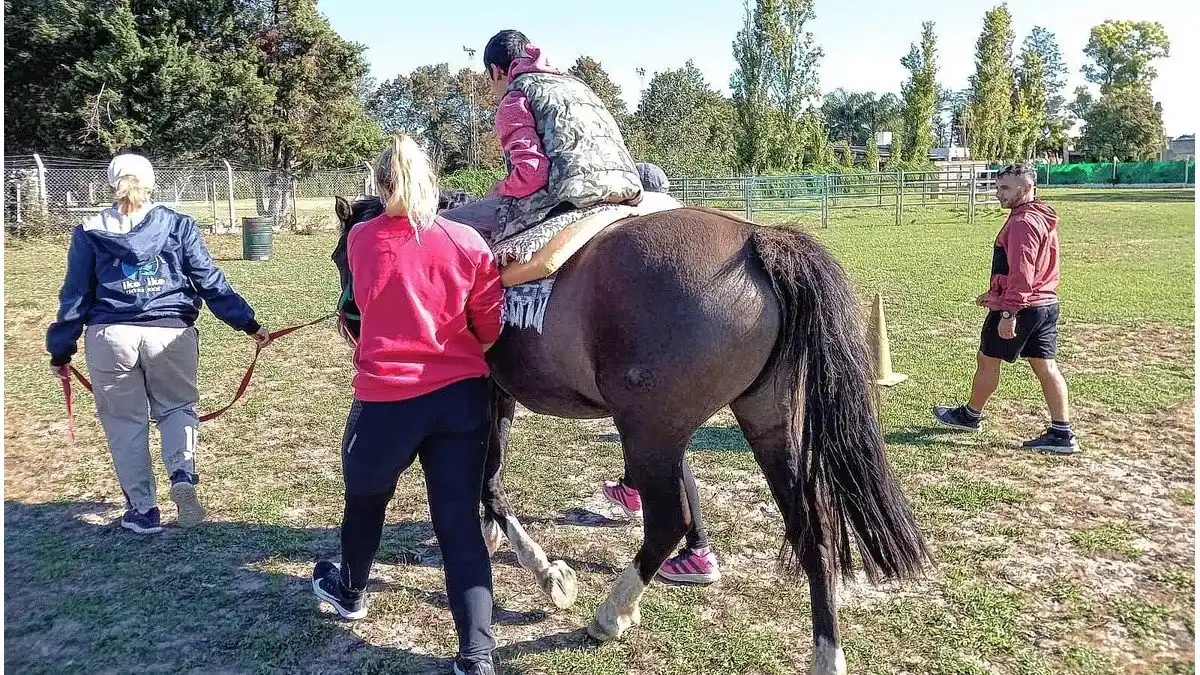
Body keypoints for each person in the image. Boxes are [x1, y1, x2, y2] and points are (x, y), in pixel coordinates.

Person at [311, 134, 504, 675]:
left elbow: (362, 304)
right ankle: (478, 655)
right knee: (458, 525)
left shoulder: (362, 239)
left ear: (379, 183)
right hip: (460, 397)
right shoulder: (468, 241)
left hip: (387, 400)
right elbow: (489, 325)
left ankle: (350, 588)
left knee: (366, 500)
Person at [46, 153, 270, 535]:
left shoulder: (88, 230)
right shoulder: (178, 224)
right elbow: (208, 279)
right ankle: (182, 472)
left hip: (111, 335)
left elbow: (76, 295)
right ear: (151, 183)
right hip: (171, 332)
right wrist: (248, 323)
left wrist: (61, 347)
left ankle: (143, 509)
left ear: (112, 183)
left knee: (125, 422)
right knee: (178, 407)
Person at [599, 160, 720, 585]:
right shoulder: (676, 213)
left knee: (668, 441)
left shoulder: (639, 219)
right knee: (648, 427)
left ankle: (698, 550)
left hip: (663, 341)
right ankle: (632, 487)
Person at [440, 29, 642, 243]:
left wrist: (500, 188)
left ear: (495, 71)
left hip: (567, 197)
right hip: (626, 188)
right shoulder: (578, 85)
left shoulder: (515, 99)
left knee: (442, 227)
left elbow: (532, 175)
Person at [933, 162, 1079, 454]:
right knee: (1046, 367)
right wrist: (995, 291)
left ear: (1026, 188)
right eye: (997, 186)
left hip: (1021, 307)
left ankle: (970, 416)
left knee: (987, 359)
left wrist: (1009, 311)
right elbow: (1029, 269)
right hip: (1046, 305)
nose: (998, 194)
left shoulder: (1022, 223)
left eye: (1005, 188)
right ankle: (1062, 433)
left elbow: (1022, 272)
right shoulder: (1038, 216)